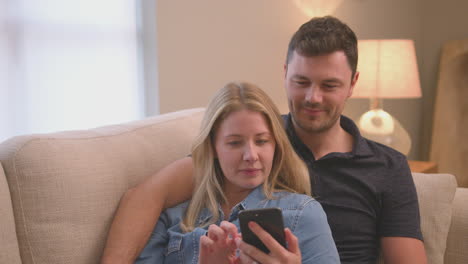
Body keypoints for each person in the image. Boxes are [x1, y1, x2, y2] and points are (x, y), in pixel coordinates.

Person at [101, 16, 427, 264]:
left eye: (329, 85)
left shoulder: (386, 167)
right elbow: (146, 196)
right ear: (284, 74)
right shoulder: (256, 143)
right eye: (301, 81)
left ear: (353, 83)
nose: (313, 97)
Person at [134, 82, 340, 263]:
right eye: (234, 143)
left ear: (276, 144)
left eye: (261, 141)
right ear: (213, 146)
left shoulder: (303, 214)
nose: (251, 155)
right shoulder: (173, 218)